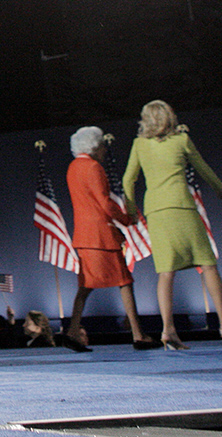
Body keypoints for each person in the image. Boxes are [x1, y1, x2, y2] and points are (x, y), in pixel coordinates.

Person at [123, 100, 222, 349]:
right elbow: (203, 169)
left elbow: (129, 180)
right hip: (182, 207)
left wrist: (131, 212)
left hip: (157, 211)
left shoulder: (139, 144)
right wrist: (220, 191)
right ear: (171, 117)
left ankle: (168, 330)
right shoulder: (181, 140)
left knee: (166, 272)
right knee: (208, 265)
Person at [62, 126, 161, 352]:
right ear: (94, 146)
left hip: (84, 235)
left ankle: (73, 331)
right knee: (124, 282)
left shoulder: (73, 167)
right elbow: (104, 202)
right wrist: (127, 219)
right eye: (102, 145)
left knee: (86, 285)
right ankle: (138, 335)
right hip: (100, 236)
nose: (105, 150)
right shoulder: (93, 167)